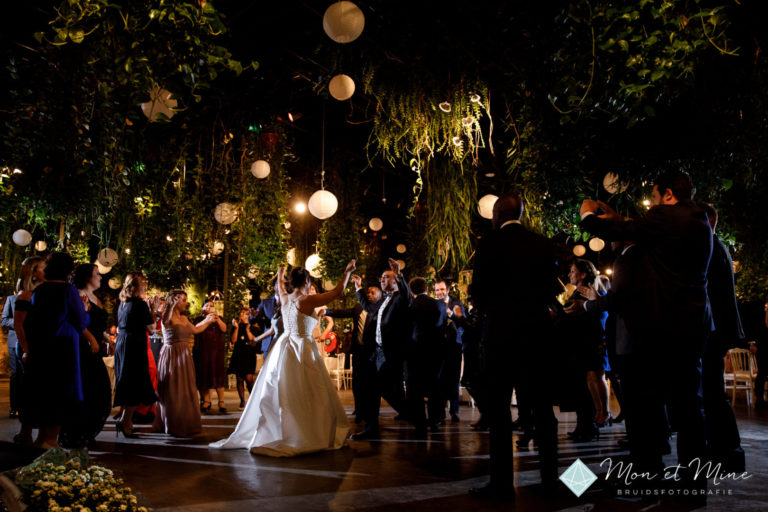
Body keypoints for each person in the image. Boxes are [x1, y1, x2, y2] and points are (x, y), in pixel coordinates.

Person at [580, 170, 713, 497]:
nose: (652, 205)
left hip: (661, 328)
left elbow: (622, 229)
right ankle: (692, 481)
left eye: (654, 197)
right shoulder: (696, 221)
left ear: (668, 195)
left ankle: (648, 472)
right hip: (693, 324)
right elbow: (642, 230)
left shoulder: (667, 215)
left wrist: (587, 214)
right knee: (688, 405)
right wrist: (621, 218)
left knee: (649, 401)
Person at [210, 260, 355, 456]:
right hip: (303, 347)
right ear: (305, 281)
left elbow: (279, 285)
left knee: (285, 390)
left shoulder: (285, 298)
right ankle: (305, 432)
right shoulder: (306, 300)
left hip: (285, 347)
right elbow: (337, 292)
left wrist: (280, 273)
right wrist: (347, 272)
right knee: (308, 390)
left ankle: (285, 429)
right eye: (309, 281)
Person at [471, 190, 560, 501]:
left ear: (497, 215)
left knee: (498, 411)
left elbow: (478, 293)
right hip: (537, 336)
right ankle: (551, 482)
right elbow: (552, 291)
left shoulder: (489, 244)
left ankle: (501, 486)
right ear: (521, 214)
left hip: (501, 336)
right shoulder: (543, 244)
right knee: (543, 411)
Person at [22, 252, 94, 449]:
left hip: (40, 347)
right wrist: (85, 311)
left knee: (44, 391)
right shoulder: (68, 290)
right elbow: (80, 322)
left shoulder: (39, 290)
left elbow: (30, 321)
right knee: (60, 392)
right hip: (62, 346)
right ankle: (51, 441)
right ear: (68, 270)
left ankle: (40, 440)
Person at [698, 202, 746, 471]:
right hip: (719, 328)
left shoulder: (711, 249)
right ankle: (725, 448)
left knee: (713, 391)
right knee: (713, 390)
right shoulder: (719, 247)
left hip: (714, 330)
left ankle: (727, 450)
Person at [350, 258, 412, 440]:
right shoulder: (384, 300)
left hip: (391, 353)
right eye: (381, 278)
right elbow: (367, 307)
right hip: (377, 352)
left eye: (386, 278)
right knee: (372, 388)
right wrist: (358, 287)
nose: (382, 280)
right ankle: (372, 427)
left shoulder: (400, 298)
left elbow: (407, 296)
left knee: (391, 392)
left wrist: (400, 275)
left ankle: (417, 418)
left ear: (395, 281)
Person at [59, 263, 112, 448]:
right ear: (87, 277)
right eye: (97, 274)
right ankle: (76, 432)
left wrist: (105, 337)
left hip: (95, 348)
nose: (100, 277)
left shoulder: (95, 297)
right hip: (82, 348)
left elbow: (96, 322)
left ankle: (88, 430)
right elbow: (75, 322)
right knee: (86, 390)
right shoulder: (77, 294)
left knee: (101, 392)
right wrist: (90, 338)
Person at [154, 290, 217, 436]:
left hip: (184, 356)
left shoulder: (184, 318)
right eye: (183, 300)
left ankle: (185, 421)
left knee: (184, 389)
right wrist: (171, 306)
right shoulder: (167, 317)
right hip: (171, 355)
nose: (185, 303)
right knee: (172, 389)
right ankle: (172, 423)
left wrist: (207, 321)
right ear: (174, 301)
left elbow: (195, 329)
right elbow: (166, 322)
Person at [561, 259, 608, 441]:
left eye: (573, 271)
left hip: (589, 341)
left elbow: (590, 314)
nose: (570, 274)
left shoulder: (589, 292)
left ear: (583, 274)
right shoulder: (578, 292)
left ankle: (597, 417)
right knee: (586, 382)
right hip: (582, 343)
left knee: (592, 379)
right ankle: (587, 422)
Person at [324, 285, 382, 424]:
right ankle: (359, 410)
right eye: (368, 292)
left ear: (380, 295)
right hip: (358, 351)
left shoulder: (381, 309)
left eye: (373, 293)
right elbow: (343, 312)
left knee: (372, 384)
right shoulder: (358, 308)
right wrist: (326, 311)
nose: (369, 294)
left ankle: (373, 412)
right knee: (357, 382)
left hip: (374, 353)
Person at [113, 272, 161, 438]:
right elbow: (151, 328)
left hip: (122, 343)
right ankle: (126, 422)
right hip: (134, 345)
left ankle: (127, 421)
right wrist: (153, 310)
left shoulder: (122, 303)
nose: (145, 286)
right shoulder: (140, 304)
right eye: (143, 283)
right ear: (137, 286)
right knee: (134, 382)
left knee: (126, 381)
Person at [11, 256, 45, 446]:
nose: (45, 271)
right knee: (30, 390)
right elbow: (19, 326)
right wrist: (26, 350)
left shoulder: (42, 294)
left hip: (39, 345)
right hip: (28, 346)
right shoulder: (25, 296)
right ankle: (25, 432)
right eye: (42, 268)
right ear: (33, 272)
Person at [407, 277, 446, 436]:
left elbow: (408, 329)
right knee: (434, 388)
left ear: (411, 291)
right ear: (427, 289)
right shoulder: (439, 304)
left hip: (416, 351)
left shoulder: (411, 306)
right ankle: (435, 420)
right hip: (435, 351)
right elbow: (443, 326)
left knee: (415, 389)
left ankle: (420, 424)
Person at [434, 280, 465, 423]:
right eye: (437, 290)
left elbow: (462, 322)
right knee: (439, 379)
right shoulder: (434, 305)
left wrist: (451, 313)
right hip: (439, 346)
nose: (439, 292)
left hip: (455, 346)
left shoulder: (457, 304)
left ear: (447, 290)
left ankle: (454, 411)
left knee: (453, 379)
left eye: (441, 289)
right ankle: (439, 413)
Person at [194, 300, 228, 413]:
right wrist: (207, 320)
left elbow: (224, 329)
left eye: (212, 306)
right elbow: (195, 329)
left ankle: (221, 401)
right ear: (203, 307)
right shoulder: (199, 319)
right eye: (207, 305)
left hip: (216, 351)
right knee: (204, 375)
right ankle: (206, 401)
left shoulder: (219, 318)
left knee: (218, 375)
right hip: (203, 351)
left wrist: (217, 320)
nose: (210, 307)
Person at [228, 307, 258, 409]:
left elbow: (254, 341)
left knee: (249, 378)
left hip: (249, 355)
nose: (242, 316)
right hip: (238, 354)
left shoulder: (253, 326)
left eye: (245, 314)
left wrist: (247, 330)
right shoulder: (236, 326)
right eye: (241, 314)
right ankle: (242, 401)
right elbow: (233, 340)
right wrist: (236, 328)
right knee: (239, 378)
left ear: (249, 315)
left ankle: (253, 399)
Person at [2, 285, 21, 418]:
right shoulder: (11, 299)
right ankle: (15, 407)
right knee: (16, 375)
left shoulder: (36, 298)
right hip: (15, 342)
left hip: (33, 342)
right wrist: (20, 321)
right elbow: (4, 319)